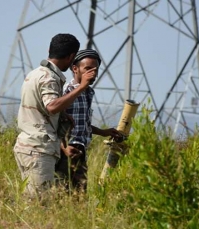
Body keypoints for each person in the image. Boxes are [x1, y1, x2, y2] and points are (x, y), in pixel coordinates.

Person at [13, 34, 98, 199]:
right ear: (71, 57)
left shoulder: (36, 73)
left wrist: (63, 115)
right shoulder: (49, 78)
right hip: (38, 149)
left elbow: (42, 108)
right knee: (39, 204)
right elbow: (51, 106)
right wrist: (81, 87)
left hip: (28, 146)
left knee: (34, 200)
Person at [55, 49, 121, 192]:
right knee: (61, 192)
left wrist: (103, 132)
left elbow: (81, 123)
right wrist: (63, 148)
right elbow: (55, 121)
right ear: (75, 69)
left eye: (95, 69)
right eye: (88, 69)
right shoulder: (66, 91)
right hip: (66, 150)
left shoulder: (88, 92)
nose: (93, 73)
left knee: (79, 194)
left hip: (81, 150)